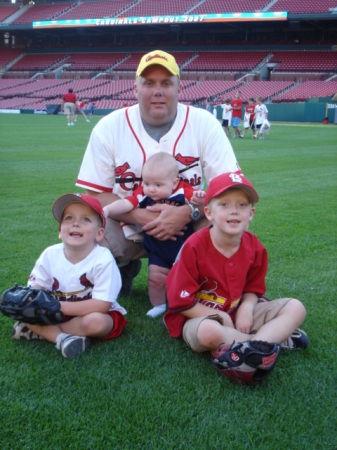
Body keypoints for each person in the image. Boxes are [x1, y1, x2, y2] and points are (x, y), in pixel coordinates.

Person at [76, 49, 241, 298]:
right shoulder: (109, 127)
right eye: (149, 82)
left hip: (188, 225)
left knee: (230, 217)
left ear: (179, 87)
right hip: (126, 222)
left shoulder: (204, 123)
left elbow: (229, 188)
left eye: (166, 83)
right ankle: (120, 267)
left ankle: (207, 279)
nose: (158, 91)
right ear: (135, 88)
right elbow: (95, 193)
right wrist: (143, 217)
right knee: (84, 217)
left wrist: (189, 212)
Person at [164, 172, 308, 370]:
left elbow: (253, 289)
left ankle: (252, 348)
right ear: (209, 213)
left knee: (296, 307)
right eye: (224, 205)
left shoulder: (255, 247)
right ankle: (265, 343)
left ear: (251, 213)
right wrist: (220, 316)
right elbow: (179, 302)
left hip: (237, 311)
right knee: (209, 333)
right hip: (199, 317)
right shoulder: (194, 246)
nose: (234, 211)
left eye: (241, 205)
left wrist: (247, 309)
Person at [11, 193, 127, 359]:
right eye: (69, 218)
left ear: (99, 234)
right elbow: (36, 289)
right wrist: (32, 302)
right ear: (60, 231)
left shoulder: (103, 258)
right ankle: (63, 339)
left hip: (92, 313)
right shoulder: (50, 254)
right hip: (55, 313)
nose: (76, 223)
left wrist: (56, 306)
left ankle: (42, 332)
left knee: (96, 322)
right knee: (24, 307)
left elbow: (101, 305)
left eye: (86, 219)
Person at [103, 153, 205, 318]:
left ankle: (189, 302)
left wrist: (198, 200)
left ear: (174, 183)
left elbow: (197, 204)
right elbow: (126, 204)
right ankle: (158, 305)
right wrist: (107, 210)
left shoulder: (181, 191)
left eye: (158, 184)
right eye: (147, 183)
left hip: (183, 250)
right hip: (157, 250)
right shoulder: (143, 195)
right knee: (155, 279)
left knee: (188, 278)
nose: (151, 188)